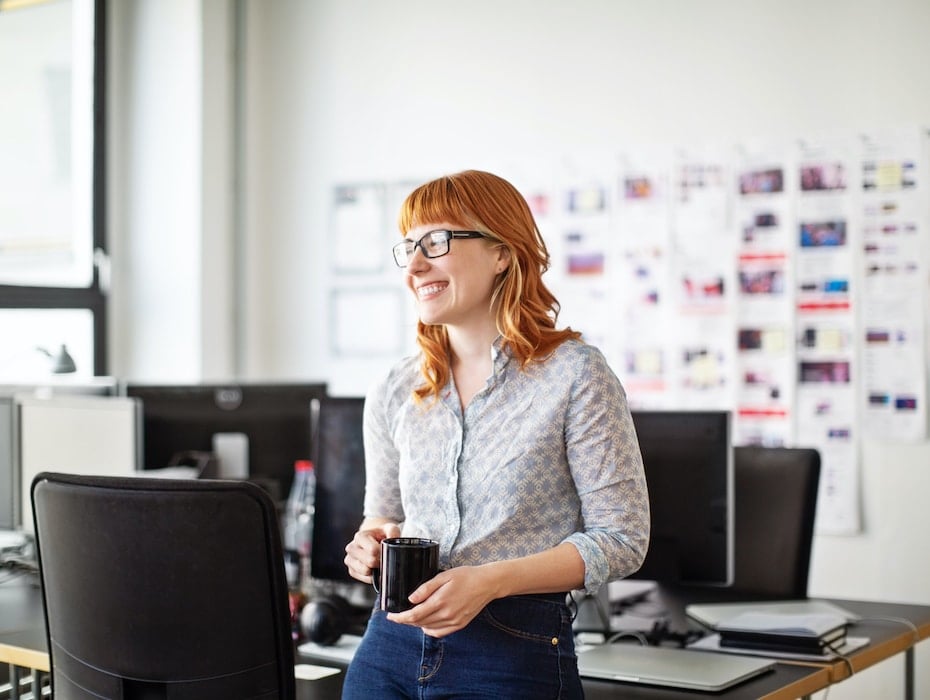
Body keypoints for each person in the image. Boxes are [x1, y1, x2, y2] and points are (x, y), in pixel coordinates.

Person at [342, 169, 650, 699]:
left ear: (502, 251)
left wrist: (489, 581)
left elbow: (621, 541)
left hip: (513, 650)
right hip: (388, 648)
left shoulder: (575, 375)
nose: (415, 266)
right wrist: (368, 545)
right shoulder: (395, 389)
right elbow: (382, 517)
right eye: (409, 246)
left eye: (436, 242)